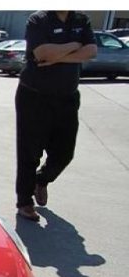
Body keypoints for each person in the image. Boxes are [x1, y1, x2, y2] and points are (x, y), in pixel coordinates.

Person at [14, 11, 97, 222]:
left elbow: (92, 51)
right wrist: (74, 44)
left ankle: (41, 180)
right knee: (29, 152)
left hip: (67, 98)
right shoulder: (38, 20)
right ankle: (24, 202)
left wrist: (59, 55)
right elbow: (42, 53)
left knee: (64, 153)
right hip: (34, 96)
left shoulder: (81, 20)